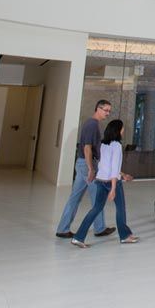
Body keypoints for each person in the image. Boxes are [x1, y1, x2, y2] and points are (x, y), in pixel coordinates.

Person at [71, 119, 138, 247]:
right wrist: (113, 188)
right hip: (112, 182)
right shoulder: (117, 146)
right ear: (118, 130)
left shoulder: (103, 145)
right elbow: (114, 168)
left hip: (100, 181)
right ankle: (124, 236)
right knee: (120, 209)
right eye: (122, 128)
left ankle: (78, 237)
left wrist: (122, 175)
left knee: (96, 209)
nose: (123, 131)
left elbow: (105, 166)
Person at [56, 99, 115, 239]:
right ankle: (99, 228)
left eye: (109, 111)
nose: (108, 113)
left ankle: (63, 229)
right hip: (86, 165)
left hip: (83, 164)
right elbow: (87, 148)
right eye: (106, 110)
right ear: (98, 109)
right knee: (98, 197)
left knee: (75, 198)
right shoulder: (92, 125)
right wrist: (91, 169)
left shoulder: (93, 124)